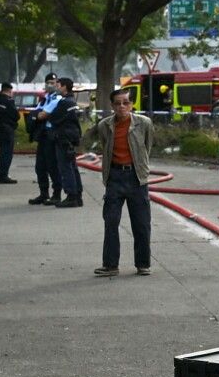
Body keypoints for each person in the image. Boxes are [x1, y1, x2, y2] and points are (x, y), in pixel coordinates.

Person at [89, 87, 154, 276]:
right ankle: (110, 265)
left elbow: (147, 146)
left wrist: (140, 168)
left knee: (141, 223)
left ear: (132, 104)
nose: (122, 107)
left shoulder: (144, 123)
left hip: (136, 178)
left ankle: (143, 264)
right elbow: (106, 146)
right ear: (112, 106)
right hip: (114, 178)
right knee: (111, 221)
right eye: (117, 103)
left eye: (126, 103)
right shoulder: (105, 125)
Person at [27, 73, 62, 205]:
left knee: (52, 166)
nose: (50, 85)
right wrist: (37, 114)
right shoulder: (44, 99)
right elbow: (36, 113)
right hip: (43, 135)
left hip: (51, 135)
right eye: (48, 82)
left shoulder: (57, 98)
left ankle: (56, 194)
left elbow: (41, 115)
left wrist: (37, 115)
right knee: (40, 166)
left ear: (57, 84)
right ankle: (44, 193)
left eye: (53, 83)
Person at [51, 77, 84, 207]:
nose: (56, 87)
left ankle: (71, 196)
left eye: (58, 85)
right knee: (72, 167)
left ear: (64, 87)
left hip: (64, 138)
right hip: (71, 137)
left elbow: (54, 118)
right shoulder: (72, 101)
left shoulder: (64, 102)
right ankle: (77, 195)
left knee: (65, 168)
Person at [0, 82, 20, 183]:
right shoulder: (8, 101)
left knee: (3, 151)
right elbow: (16, 115)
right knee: (7, 153)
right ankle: (4, 175)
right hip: (7, 129)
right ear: (9, 91)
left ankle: (2, 173)